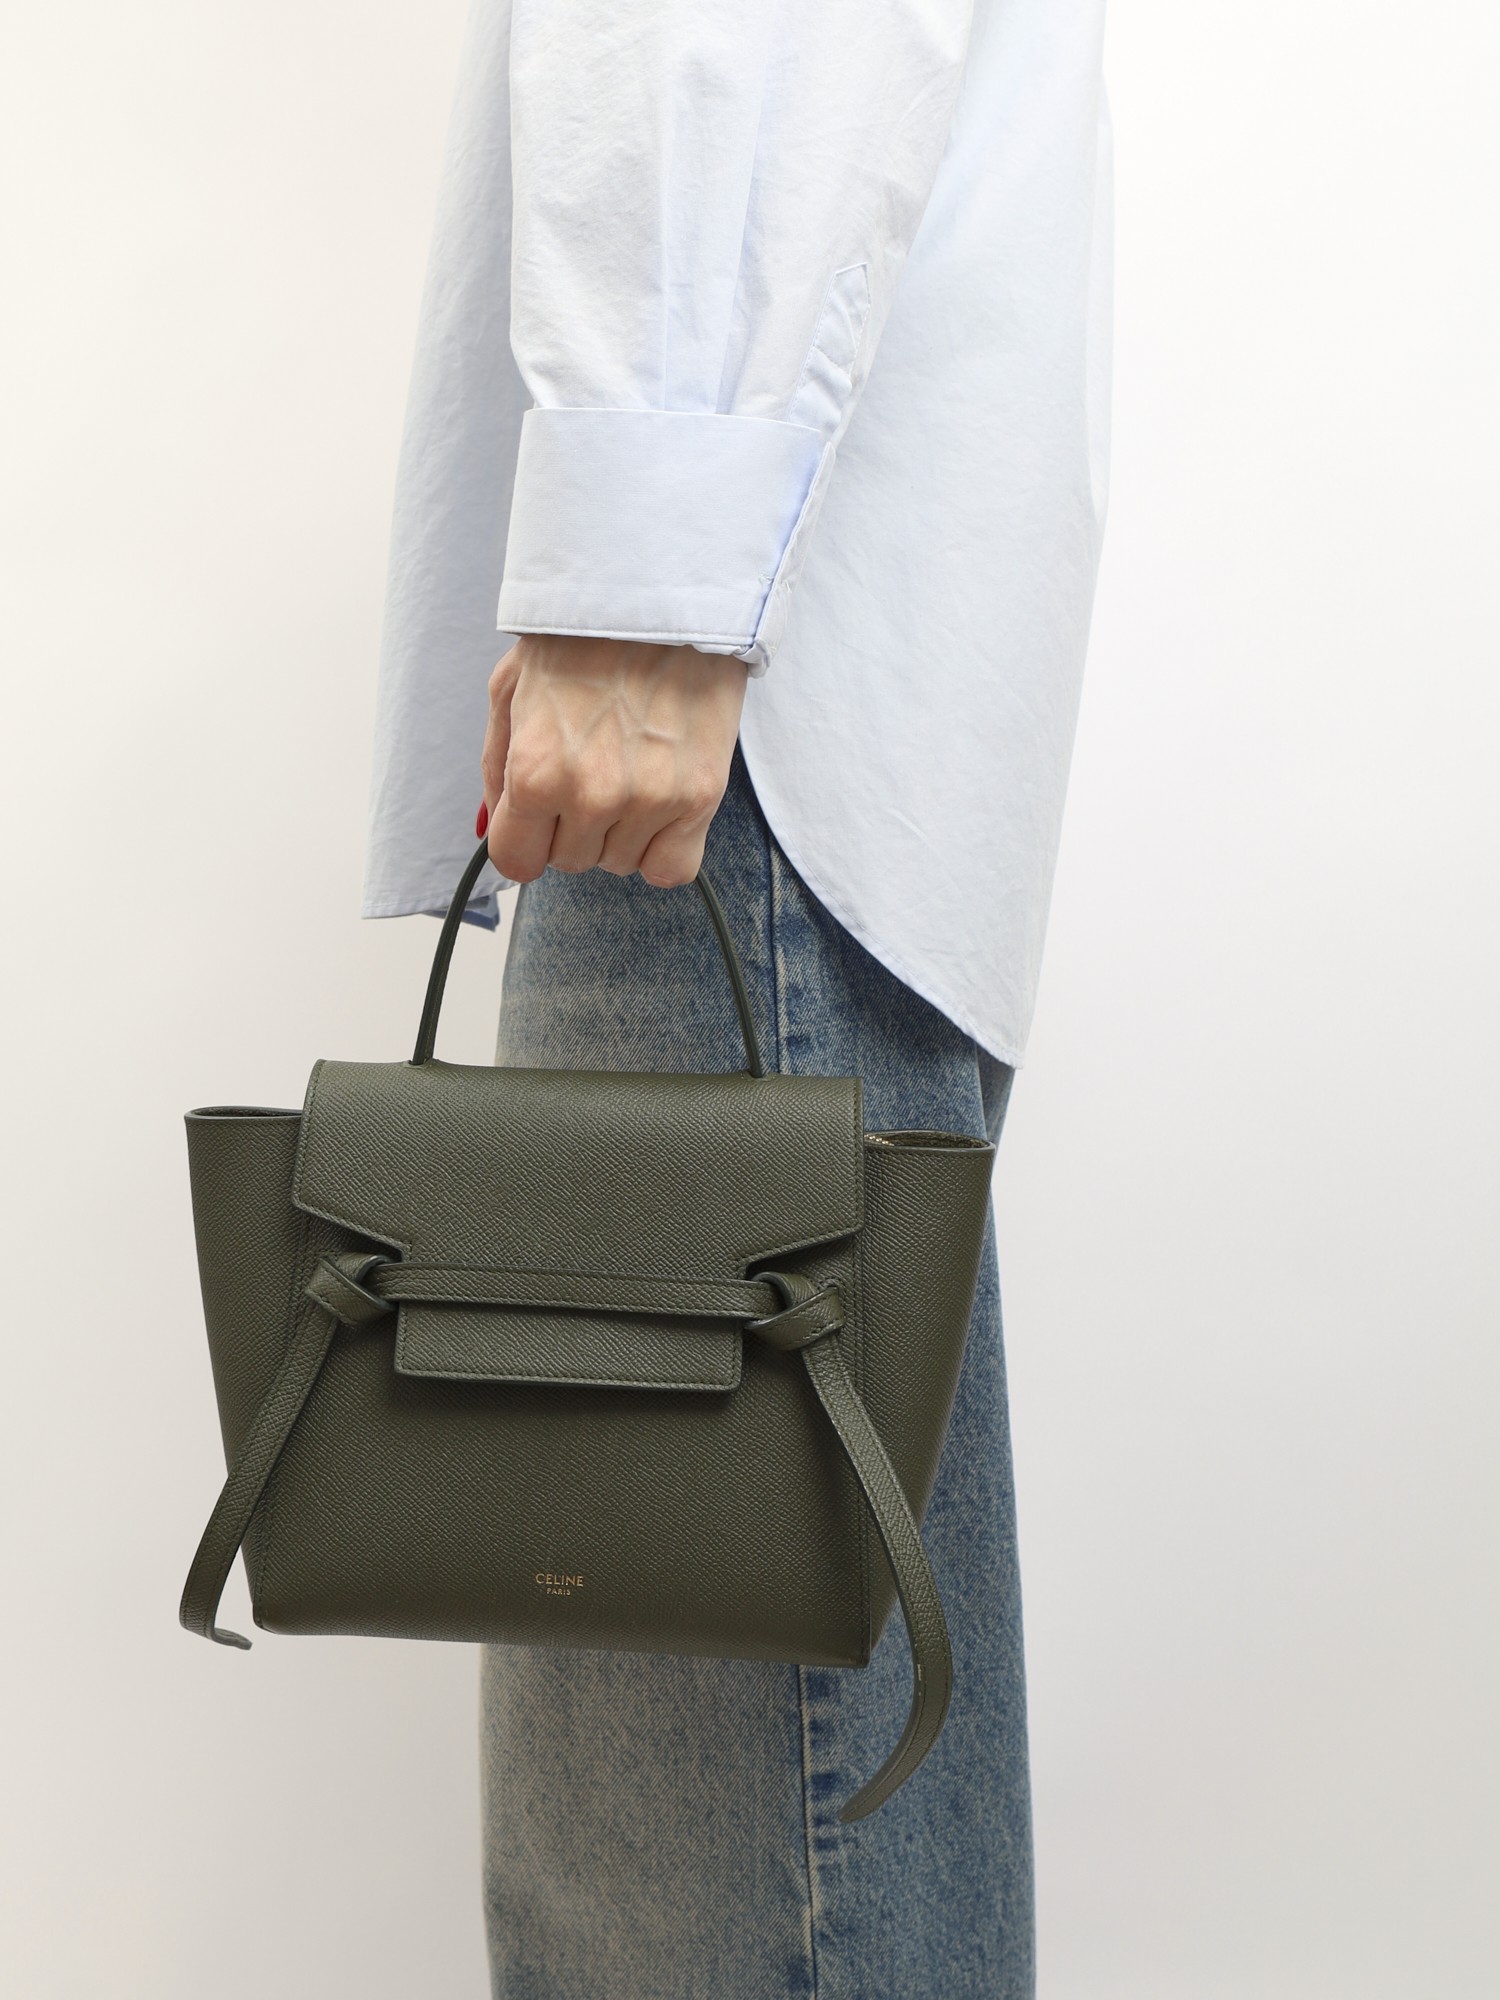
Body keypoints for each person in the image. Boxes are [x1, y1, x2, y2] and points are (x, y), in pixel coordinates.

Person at [364, 2, 1111, 1992]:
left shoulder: (688, 639)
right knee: (774, 1831)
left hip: (736, 704)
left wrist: (649, 551)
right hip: (792, 680)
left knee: (689, 1898)